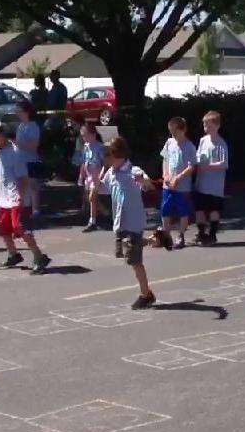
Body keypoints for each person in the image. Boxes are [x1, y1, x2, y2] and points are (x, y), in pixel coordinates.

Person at [0, 121, 51, 275]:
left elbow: (23, 178)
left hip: (17, 197)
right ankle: (13, 254)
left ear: (1, 135)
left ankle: (39, 256)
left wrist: (20, 197)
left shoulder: (15, 152)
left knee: (20, 228)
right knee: (4, 228)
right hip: (4, 197)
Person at [100, 137, 158, 309]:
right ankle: (148, 241)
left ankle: (146, 294)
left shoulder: (133, 171)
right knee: (123, 254)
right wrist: (95, 183)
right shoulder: (111, 172)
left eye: (109, 156)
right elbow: (103, 188)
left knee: (134, 261)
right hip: (119, 223)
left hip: (133, 223)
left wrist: (143, 181)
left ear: (119, 156)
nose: (107, 160)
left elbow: (148, 184)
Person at [160, 116, 197, 249]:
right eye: (171, 131)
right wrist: (165, 175)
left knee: (183, 212)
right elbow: (165, 159)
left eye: (175, 131)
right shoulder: (169, 143)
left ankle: (180, 236)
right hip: (168, 186)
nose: (173, 134)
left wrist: (178, 177)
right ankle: (166, 235)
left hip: (182, 187)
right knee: (165, 211)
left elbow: (191, 167)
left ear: (183, 130)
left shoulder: (189, 146)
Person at [194, 111, 229, 245]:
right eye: (204, 126)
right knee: (200, 209)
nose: (206, 128)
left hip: (215, 185)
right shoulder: (203, 140)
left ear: (217, 126)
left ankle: (212, 234)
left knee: (214, 210)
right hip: (201, 183)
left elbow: (224, 163)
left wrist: (208, 166)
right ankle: (201, 233)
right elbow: (198, 155)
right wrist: (196, 162)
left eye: (208, 126)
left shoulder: (221, 144)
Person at [14, 101, 44, 217]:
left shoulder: (33, 126)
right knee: (21, 185)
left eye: (19, 111)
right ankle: (24, 207)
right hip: (20, 160)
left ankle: (35, 209)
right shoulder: (20, 126)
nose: (17, 114)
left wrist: (19, 143)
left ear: (26, 112)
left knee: (32, 185)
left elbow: (35, 144)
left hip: (30, 159)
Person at [79, 122, 105, 231]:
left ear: (93, 134)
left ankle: (92, 221)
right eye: (82, 135)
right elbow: (84, 162)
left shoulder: (99, 147)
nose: (84, 137)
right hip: (89, 177)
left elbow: (104, 163)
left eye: (85, 135)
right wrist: (81, 176)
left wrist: (101, 176)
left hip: (96, 176)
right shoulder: (85, 147)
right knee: (91, 199)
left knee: (92, 198)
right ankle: (103, 213)